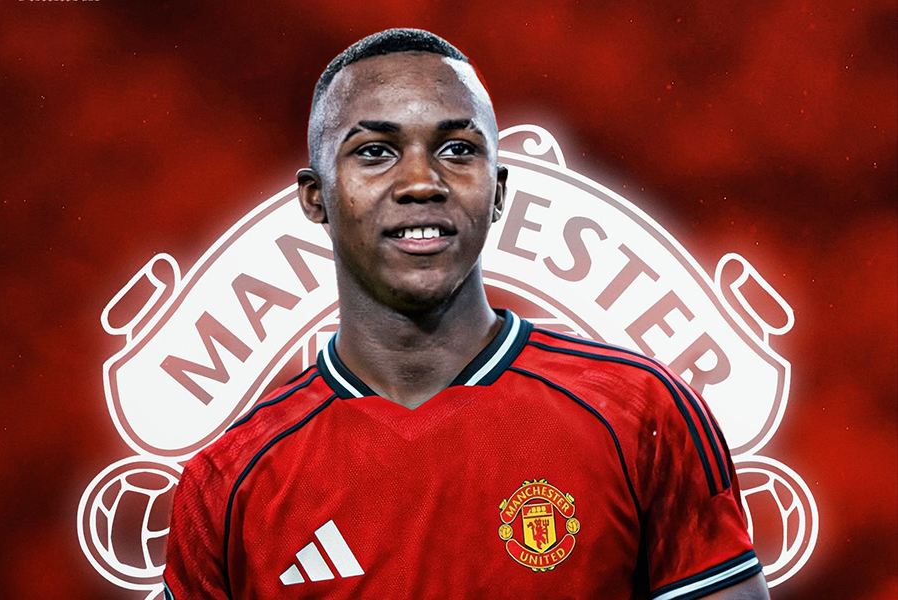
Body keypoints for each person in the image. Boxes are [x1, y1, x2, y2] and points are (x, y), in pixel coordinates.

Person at [163, 28, 770, 600]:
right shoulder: (229, 481)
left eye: (457, 149)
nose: (421, 182)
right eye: (374, 151)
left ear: (498, 189)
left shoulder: (641, 413)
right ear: (316, 196)